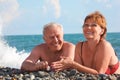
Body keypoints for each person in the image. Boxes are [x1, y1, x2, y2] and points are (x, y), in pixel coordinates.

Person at [53, 11, 120, 74]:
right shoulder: (79, 46)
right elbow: (79, 70)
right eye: (86, 25)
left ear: (102, 31)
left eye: (94, 25)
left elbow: (99, 73)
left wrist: (72, 64)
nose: (88, 27)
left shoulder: (105, 46)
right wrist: (65, 65)